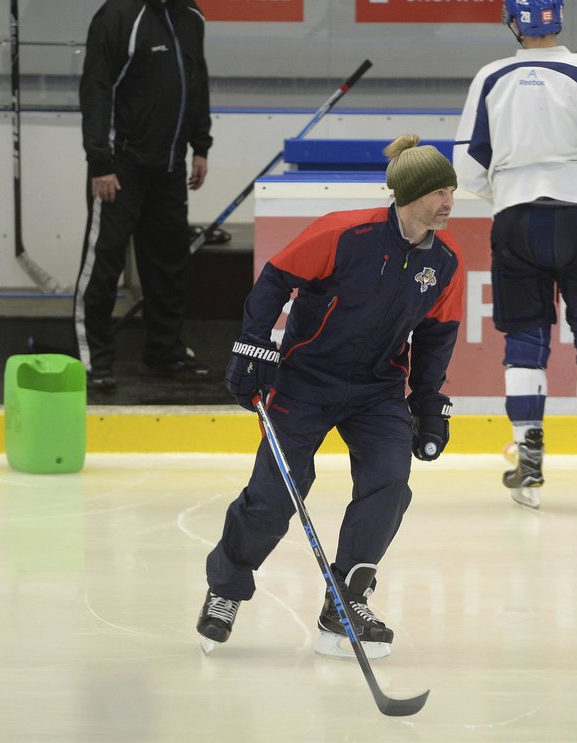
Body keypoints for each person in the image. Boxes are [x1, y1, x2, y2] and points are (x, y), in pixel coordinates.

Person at [197, 135, 463, 659]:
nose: (448, 201)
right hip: (306, 381)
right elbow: (274, 281)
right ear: (408, 194)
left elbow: (437, 334)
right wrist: (254, 344)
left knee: (389, 484)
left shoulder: (446, 264)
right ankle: (226, 590)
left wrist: (428, 402)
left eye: (452, 189)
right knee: (274, 497)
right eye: (437, 191)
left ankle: (345, 601)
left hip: (378, 389)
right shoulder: (345, 233)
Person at [453, 0, 577, 514]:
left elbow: (468, 164)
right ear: (561, 20)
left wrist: (511, 193)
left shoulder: (490, 76)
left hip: (515, 220)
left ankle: (529, 464)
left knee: (524, 340)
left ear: (511, 23)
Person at [74, 0, 213, 390]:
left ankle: (163, 354)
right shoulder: (118, 15)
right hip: (120, 166)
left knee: (168, 264)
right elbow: (96, 86)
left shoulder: (192, 16)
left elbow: (197, 80)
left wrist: (200, 145)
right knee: (104, 263)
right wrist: (100, 161)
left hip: (169, 167)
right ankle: (94, 360)